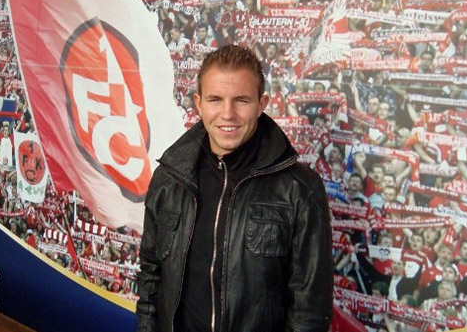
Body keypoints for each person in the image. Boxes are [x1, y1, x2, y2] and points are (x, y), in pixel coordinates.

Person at [136, 45, 333, 332]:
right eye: (215, 99)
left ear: (262, 103)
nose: (227, 114)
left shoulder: (300, 189)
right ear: (198, 103)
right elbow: (151, 278)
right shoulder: (169, 179)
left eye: (241, 100)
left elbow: (310, 309)